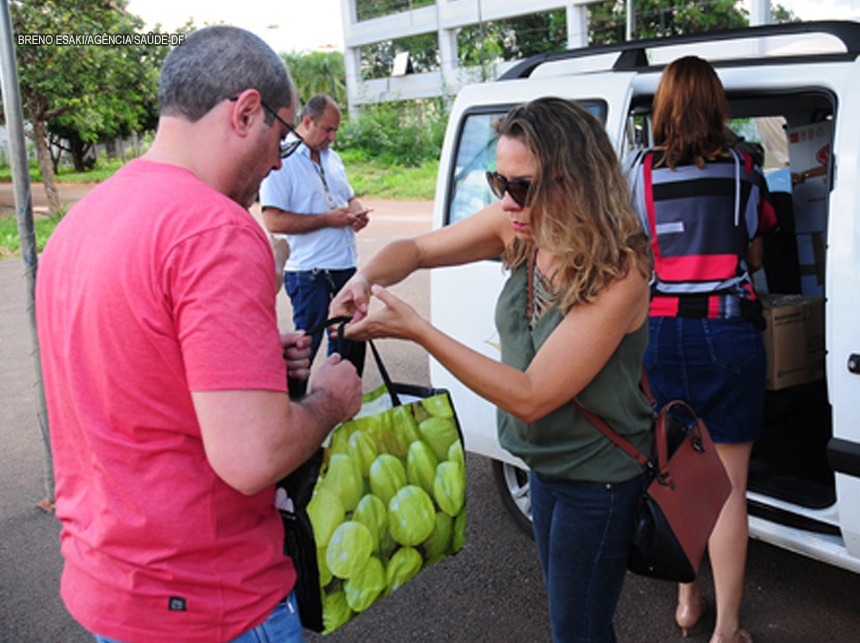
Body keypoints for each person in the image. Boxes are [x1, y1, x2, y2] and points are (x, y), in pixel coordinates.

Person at [35, 26, 363, 643]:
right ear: (245, 112)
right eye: (283, 138)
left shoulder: (80, 224)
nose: (276, 161)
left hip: (110, 587)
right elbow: (253, 456)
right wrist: (328, 402)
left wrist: (255, 360)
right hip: (213, 602)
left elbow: (129, 371)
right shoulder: (216, 229)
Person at [332, 97, 655, 642]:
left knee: (577, 631)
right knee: (573, 623)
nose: (507, 201)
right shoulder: (521, 226)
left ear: (575, 180)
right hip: (544, 467)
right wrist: (364, 279)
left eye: (523, 185)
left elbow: (531, 396)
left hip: (595, 477)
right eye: (497, 181)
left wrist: (417, 329)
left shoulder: (618, 272)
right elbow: (413, 249)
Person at [625, 56, 776, 643]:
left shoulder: (639, 172)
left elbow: (639, 255)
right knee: (728, 486)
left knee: (680, 473)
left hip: (662, 333)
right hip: (726, 329)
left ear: (662, 108)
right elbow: (756, 254)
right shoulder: (743, 168)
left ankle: (689, 602)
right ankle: (727, 631)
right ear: (717, 106)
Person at [260, 93, 369, 383]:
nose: (332, 137)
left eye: (335, 130)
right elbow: (273, 219)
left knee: (350, 345)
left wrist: (357, 213)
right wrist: (326, 220)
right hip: (309, 273)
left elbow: (349, 197)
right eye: (327, 129)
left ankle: (343, 411)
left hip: (344, 266)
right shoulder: (282, 160)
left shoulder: (332, 158)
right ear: (306, 122)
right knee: (304, 352)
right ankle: (295, 415)